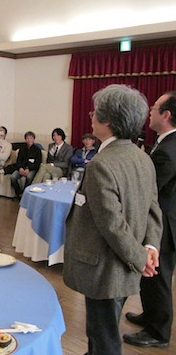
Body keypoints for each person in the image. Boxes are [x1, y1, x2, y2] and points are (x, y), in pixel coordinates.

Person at [63, 84, 163, 355]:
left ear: (107, 121)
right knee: (103, 327)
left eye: (95, 112)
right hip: (126, 263)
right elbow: (155, 210)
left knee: (104, 334)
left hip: (105, 267)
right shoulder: (143, 158)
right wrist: (150, 248)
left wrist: (142, 259)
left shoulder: (101, 164)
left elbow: (112, 225)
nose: (90, 116)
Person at [123, 91, 176, 348]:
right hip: (162, 220)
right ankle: (150, 315)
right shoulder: (164, 142)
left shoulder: (168, 149)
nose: (150, 112)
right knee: (151, 276)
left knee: (159, 276)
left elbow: (150, 190)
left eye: (155, 108)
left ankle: (159, 332)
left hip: (165, 223)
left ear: (166, 115)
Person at [9, 131, 42, 198]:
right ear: (25, 139)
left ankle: (25, 193)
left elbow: (37, 163)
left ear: (33, 139)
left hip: (31, 169)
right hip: (21, 168)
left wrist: (29, 169)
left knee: (29, 177)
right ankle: (18, 193)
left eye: (31, 138)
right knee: (12, 177)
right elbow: (18, 161)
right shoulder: (22, 149)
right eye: (27, 138)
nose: (29, 140)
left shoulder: (37, 150)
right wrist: (20, 168)